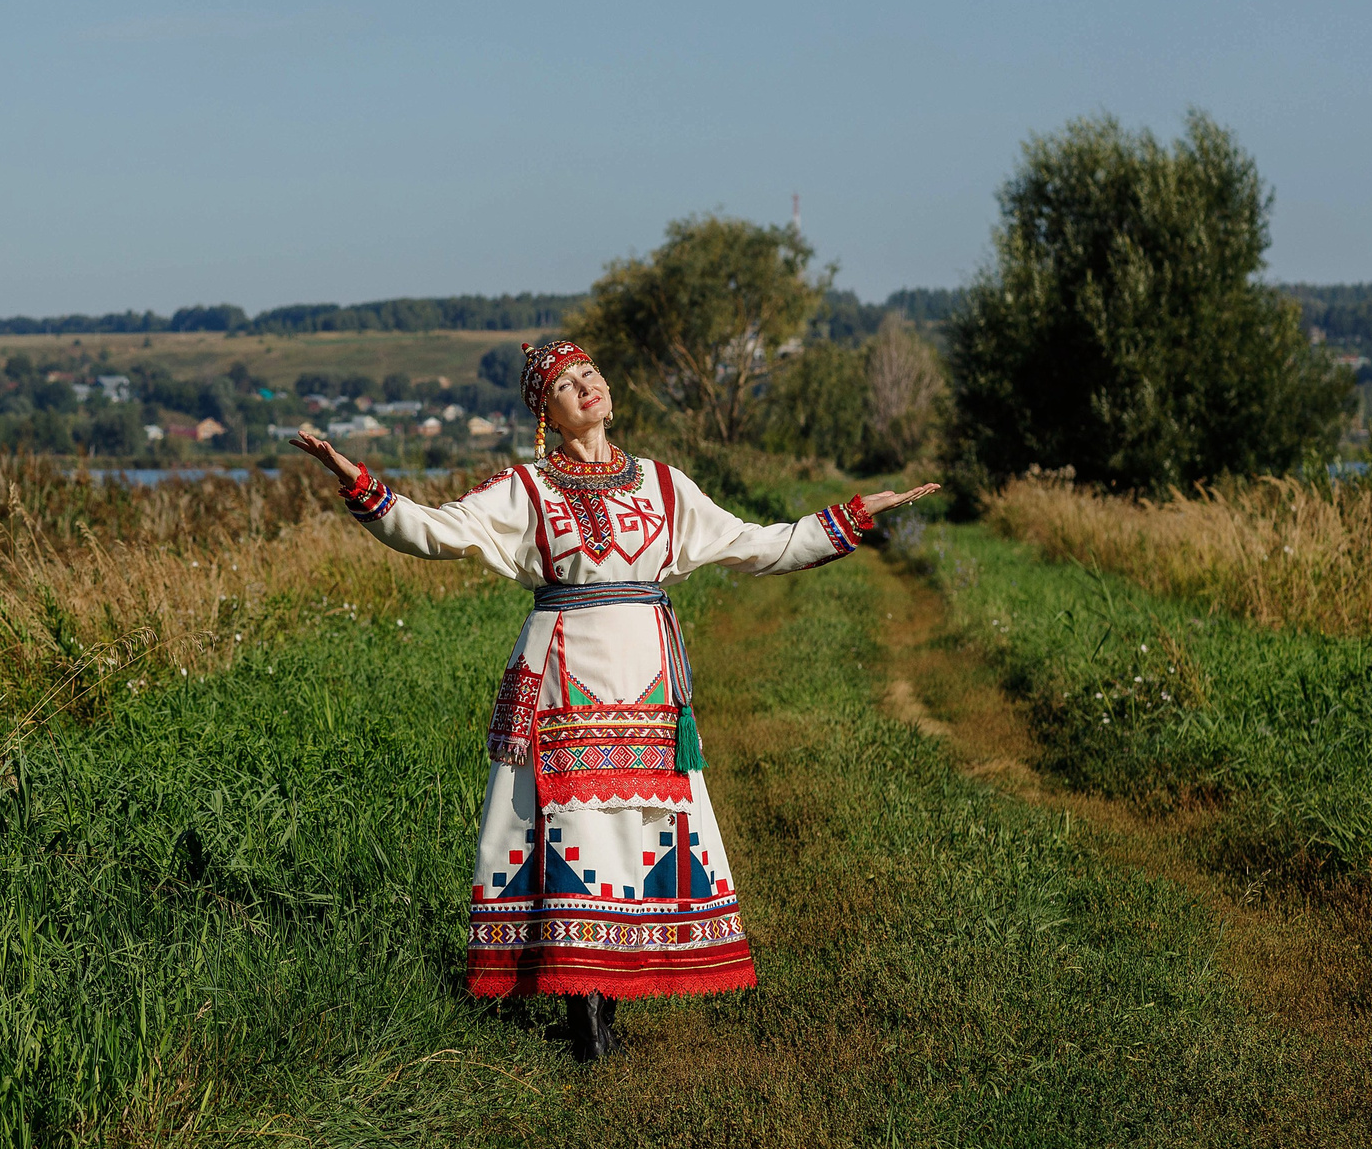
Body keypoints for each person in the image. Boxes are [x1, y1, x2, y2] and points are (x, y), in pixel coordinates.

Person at [289, 341, 937, 1061]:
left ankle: (612, 987)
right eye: (564, 383)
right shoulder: (525, 488)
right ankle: (582, 1006)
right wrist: (359, 484)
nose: (584, 385)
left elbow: (755, 544)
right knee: (572, 831)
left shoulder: (663, 484)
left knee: (635, 827)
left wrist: (850, 515)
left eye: (590, 372)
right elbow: (440, 530)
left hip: (647, 681)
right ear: (547, 412)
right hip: (564, 673)